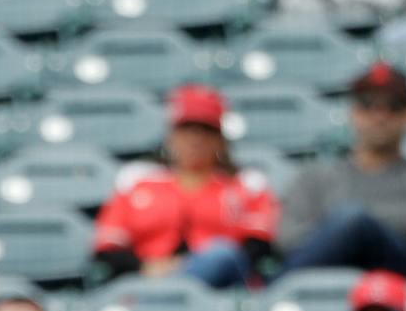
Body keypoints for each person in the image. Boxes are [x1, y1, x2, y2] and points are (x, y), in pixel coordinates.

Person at [277, 63, 406, 280]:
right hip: (323, 286)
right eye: (368, 104)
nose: (380, 115)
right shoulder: (314, 177)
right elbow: (290, 242)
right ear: (352, 112)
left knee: (353, 220)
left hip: (400, 283)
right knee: (351, 220)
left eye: (394, 105)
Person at [91, 85, 279, 292]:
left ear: (220, 140)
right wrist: (144, 267)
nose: (195, 139)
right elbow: (106, 247)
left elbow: (256, 248)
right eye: (186, 129)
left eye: (206, 130)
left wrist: (182, 268)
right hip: (145, 280)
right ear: (171, 135)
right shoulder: (137, 181)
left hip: (221, 288)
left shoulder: (248, 184)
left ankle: (170, 290)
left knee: (222, 254)